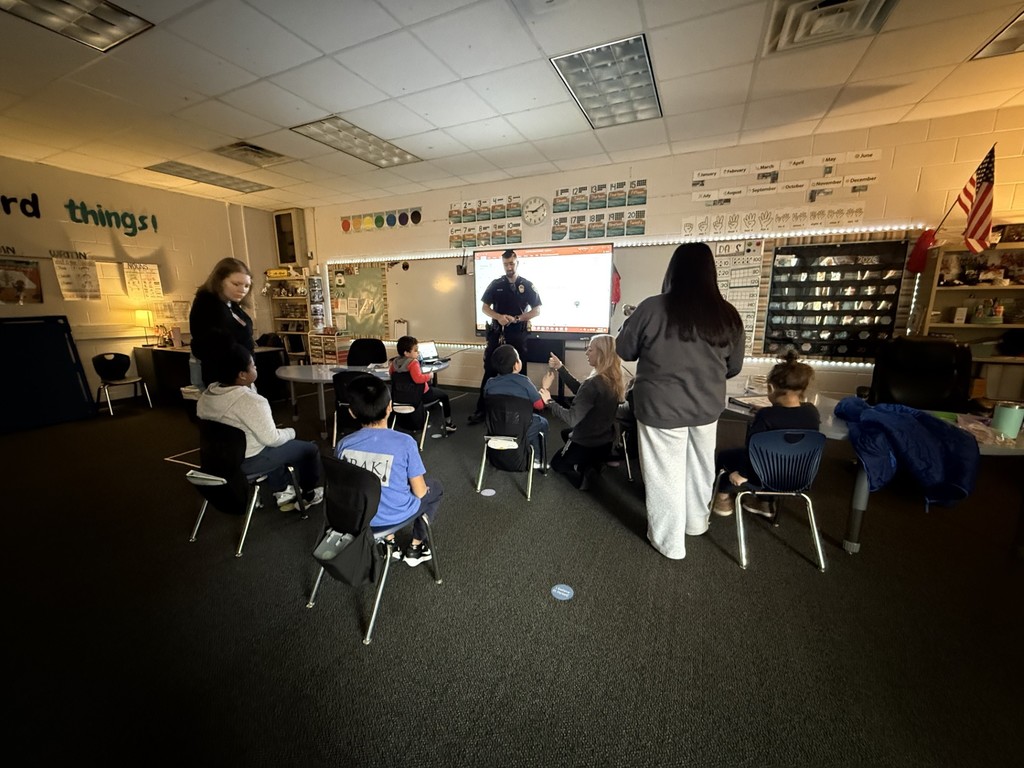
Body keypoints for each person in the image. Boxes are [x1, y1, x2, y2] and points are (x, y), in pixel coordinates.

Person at [615, 242, 745, 560]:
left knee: (665, 476)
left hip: (660, 407)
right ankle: (696, 523)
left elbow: (624, 350)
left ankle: (669, 543)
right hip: (706, 407)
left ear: (673, 271)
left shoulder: (651, 308)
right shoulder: (727, 314)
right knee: (701, 467)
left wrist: (630, 322)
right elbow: (734, 367)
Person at [196, 342, 322, 511]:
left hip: (217, 459)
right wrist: (292, 432)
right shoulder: (251, 402)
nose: (256, 368)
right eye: (253, 365)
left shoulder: (207, 396)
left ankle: (283, 489)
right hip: (248, 460)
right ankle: (309, 494)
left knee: (270, 441)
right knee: (309, 449)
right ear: (242, 375)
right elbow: (272, 439)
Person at [335, 375, 443, 566]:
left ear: (352, 412)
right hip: (394, 515)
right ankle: (416, 547)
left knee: (375, 490)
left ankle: (389, 543)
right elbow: (419, 492)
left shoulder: (343, 444)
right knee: (435, 488)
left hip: (356, 516)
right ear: (390, 407)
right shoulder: (405, 443)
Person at [712, 351, 820, 517]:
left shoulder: (766, 416)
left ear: (771, 388)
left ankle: (723, 498)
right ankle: (765, 503)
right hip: (799, 475)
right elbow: (789, 417)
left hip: (762, 475)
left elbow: (751, 449)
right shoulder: (812, 412)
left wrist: (743, 474)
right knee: (781, 456)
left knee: (726, 456)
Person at [538, 334, 624, 489]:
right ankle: (596, 460)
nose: (586, 353)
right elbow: (582, 392)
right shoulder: (613, 379)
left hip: (586, 442)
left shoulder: (593, 383)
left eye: (590, 350)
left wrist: (549, 401)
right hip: (605, 442)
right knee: (565, 433)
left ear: (601, 354)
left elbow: (571, 419)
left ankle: (584, 469)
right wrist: (560, 368)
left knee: (557, 464)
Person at [468, 249, 542, 424]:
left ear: (517, 263)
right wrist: (498, 316)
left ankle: (522, 410)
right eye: (505, 264)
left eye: (511, 263)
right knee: (490, 370)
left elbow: (537, 310)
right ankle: (482, 410)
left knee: (519, 371)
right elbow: (485, 308)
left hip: (517, 334)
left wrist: (517, 318)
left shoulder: (527, 285)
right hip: (497, 334)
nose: (509, 267)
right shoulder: (496, 284)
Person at [189, 258, 254, 389]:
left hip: (241, 374)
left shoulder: (231, 304)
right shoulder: (206, 304)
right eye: (236, 284)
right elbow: (212, 346)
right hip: (225, 379)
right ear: (219, 281)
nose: (242, 290)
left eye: (246, 286)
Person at [483, 344, 548, 462]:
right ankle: (537, 459)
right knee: (542, 422)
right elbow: (540, 405)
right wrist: (545, 387)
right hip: (520, 432)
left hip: (496, 431)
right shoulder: (525, 382)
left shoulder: (490, 383)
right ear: (516, 365)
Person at [389, 335, 457, 434]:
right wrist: (429, 376)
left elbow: (392, 375)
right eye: (415, 350)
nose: (418, 352)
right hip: (420, 395)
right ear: (406, 353)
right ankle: (448, 423)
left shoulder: (394, 363)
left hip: (401, 396)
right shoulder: (413, 363)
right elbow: (418, 379)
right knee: (444, 396)